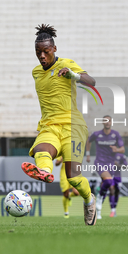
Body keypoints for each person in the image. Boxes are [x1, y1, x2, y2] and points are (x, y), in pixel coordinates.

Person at [21, 24, 97, 225]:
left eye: (46, 51)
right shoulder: (36, 72)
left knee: (73, 178)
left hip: (73, 126)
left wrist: (75, 76)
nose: (42, 56)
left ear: (54, 49)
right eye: (38, 52)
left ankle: (89, 200)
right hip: (49, 126)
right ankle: (44, 172)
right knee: (41, 149)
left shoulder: (66, 63)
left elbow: (92, 81)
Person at [86, 115, 125, 219]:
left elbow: (123, 149)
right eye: (105, 121)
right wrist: (88, 154)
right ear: (103, 122)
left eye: (109, 121)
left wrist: (116, 150)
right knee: (108, 181)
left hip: (110, 164)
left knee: (106, 185)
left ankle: (98, 210)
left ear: (111, 122)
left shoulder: (115, 135)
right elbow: (88, 141)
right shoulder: (97, 134)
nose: (107, 123)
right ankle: (98, 200)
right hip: (100, 162)